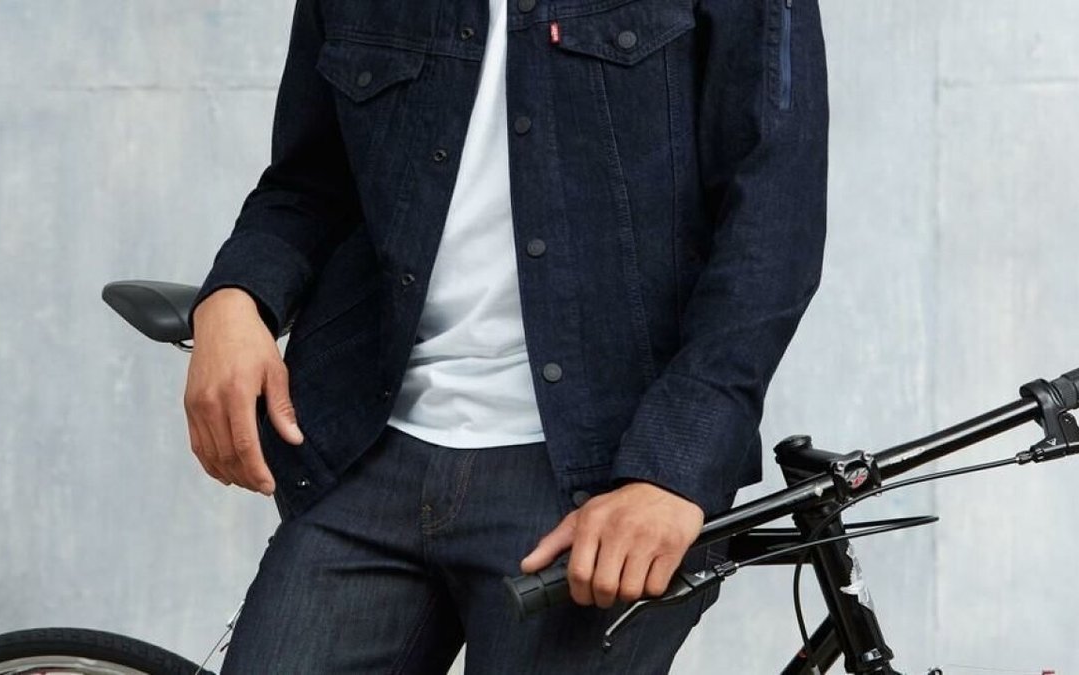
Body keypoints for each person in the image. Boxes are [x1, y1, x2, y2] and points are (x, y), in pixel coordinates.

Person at [184, 0, 828, 670]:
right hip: (367, 458)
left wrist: (672, 473)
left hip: (597, 482)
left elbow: (773, 227)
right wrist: (234, 299)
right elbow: (309, 181)